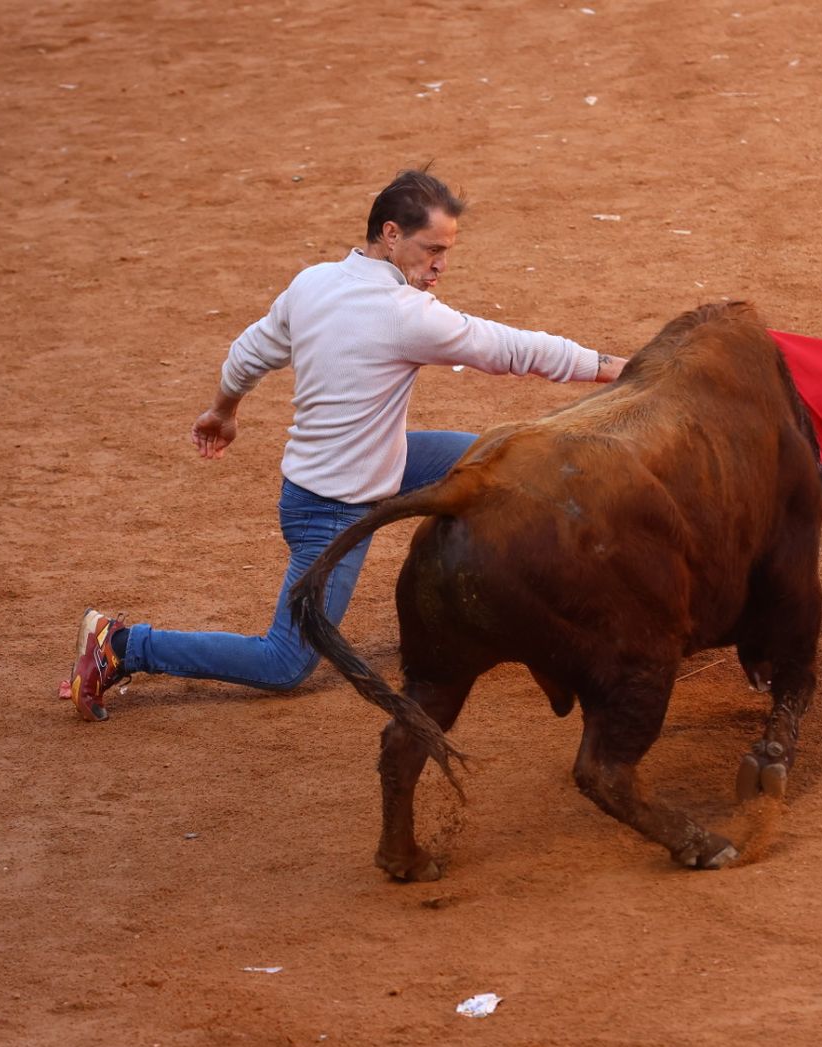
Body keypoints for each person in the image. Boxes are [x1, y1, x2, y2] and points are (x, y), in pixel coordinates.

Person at [70, 169, 626, 721]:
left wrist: (223, 411)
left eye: (447, 251)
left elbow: (249, 353)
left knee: (506, 462)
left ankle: (495, 610)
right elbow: (516, 350)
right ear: (391, 234)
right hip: (331, 509)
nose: (441, 265)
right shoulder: (404, 314)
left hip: (374, 463)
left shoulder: (313, 283)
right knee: (283, 663)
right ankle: (122, 645)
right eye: (432, 249)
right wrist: (625, 370)